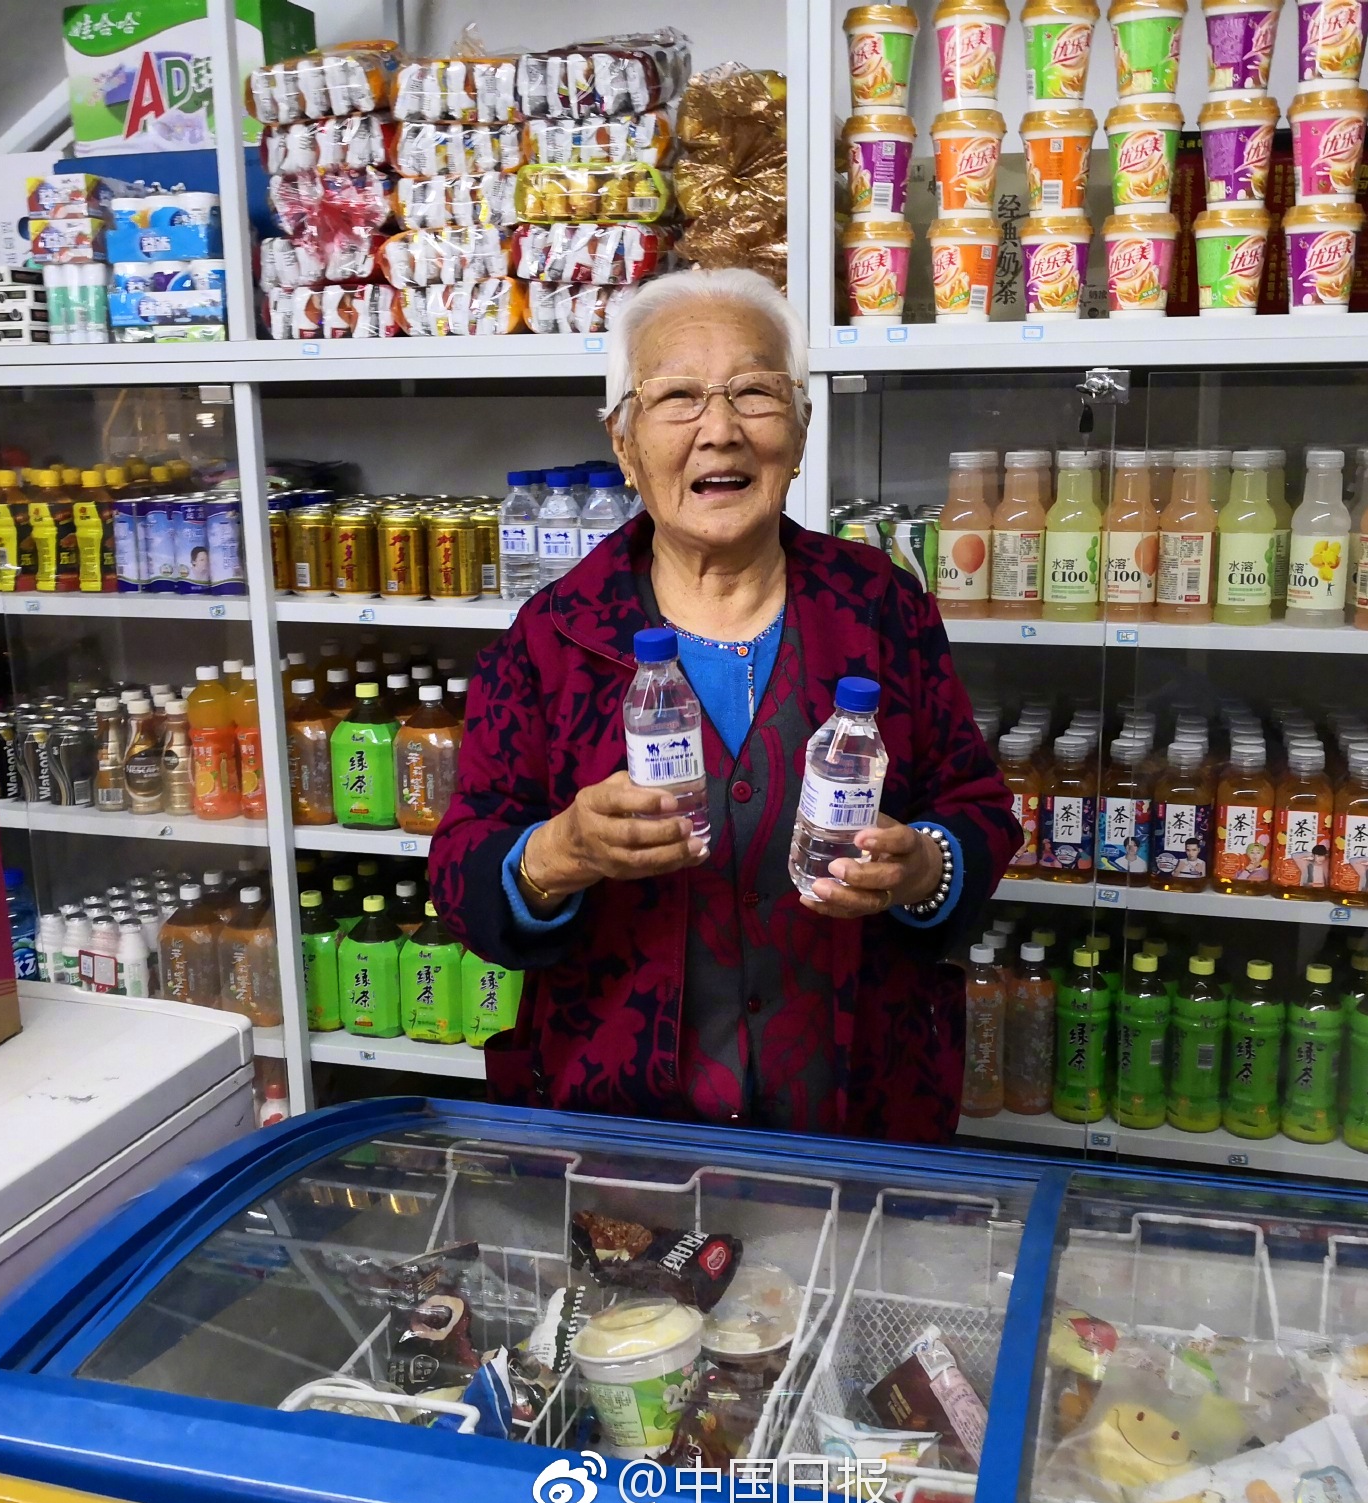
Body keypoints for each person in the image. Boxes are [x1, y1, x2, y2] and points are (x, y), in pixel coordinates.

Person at [427, 269, 1020, 1140]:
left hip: (859, 1112)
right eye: (676, 397)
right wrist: (557, 854)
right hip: (619, 1126)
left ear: (803, 428)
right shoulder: (553, 636)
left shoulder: (880, 605)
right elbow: (461, 866)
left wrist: (925, 869)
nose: (720, 430)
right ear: (624, 442)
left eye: (754, 391)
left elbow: (977, 811)